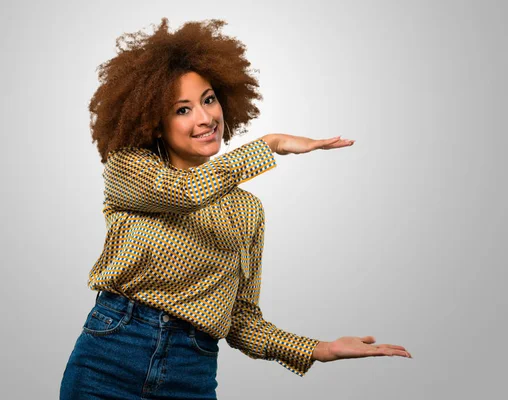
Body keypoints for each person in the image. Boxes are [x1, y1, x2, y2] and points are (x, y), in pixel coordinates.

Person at [60, 18, 411, 400]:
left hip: (191, 369)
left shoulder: (246, 210)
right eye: (182, 109)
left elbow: (240, 318)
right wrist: (270, 144)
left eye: (208, 100)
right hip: (110, 356)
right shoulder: (131, 169)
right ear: (155, 123)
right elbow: (186, 192)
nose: (206, 118)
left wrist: (319, 349)